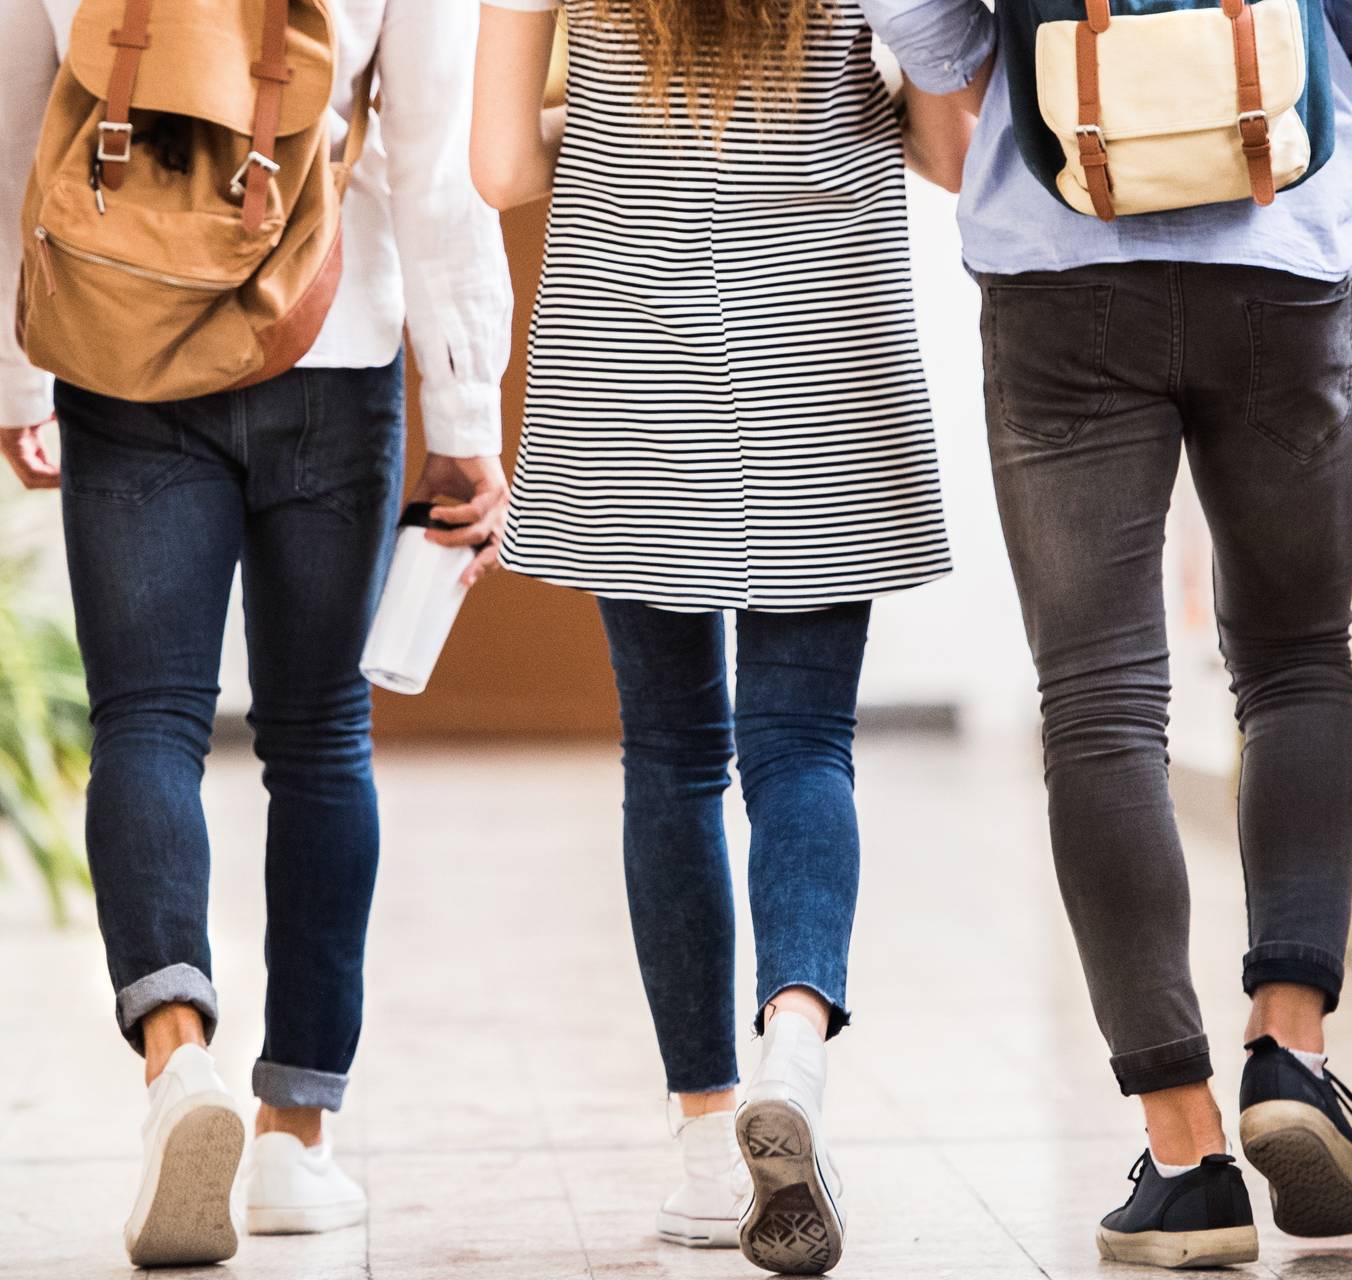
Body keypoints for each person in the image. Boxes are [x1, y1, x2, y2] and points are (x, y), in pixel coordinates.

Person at [859, 0, 1352, 1267]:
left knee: (1099, 703)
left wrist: (983, 87)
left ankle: (1184, 1156)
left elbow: (923, 26)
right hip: (1279, 253)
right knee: (1296, 659)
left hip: (1060, 268)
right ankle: (1290, 1043)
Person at [0, 0, 511, 1265]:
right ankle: (294, 1137)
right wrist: (466, 401)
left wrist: (8, 364)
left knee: (146, 717)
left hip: (119, 335)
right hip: (330, 330)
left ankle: (176, 1059)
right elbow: (433, 155)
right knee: (319, 739)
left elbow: (0, 134)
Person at [472, 3, 960, 1272]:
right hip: (823, 349)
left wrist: (608, 116)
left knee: (672, 757)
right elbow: (954, 147)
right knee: (804, 744)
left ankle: (704, 1141)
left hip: (630, 350)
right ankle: (792, 1042)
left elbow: (498, 169)